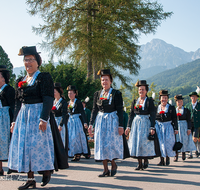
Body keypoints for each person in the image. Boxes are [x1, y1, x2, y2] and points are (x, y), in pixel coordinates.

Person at [8, 46, 55, 189]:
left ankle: (46, 170)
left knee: (38, 146)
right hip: (24, 116)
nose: (28, 63)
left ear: (37, 62)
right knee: (25, 147)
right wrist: (14, 120)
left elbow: (48, 98)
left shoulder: (43, 77)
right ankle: (30, 179)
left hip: (37, 114)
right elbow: (17, 102)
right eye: (25, 60)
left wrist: (43, 118)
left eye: (31, 60)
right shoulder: (21, 80)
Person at [88, 69, 129, 177]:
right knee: (101, 145)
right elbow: (94, 110)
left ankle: (114, 164)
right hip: (101, 121)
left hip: (112, 122)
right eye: (102, 80)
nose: (104, 82)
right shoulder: (97, 94)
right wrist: (91, 124)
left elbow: (120, 110)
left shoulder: (116, 93)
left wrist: (121, 125)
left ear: (110, 81)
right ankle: (105, 169)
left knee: (111, 145)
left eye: (106, 79)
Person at [125, 80, 156, 170]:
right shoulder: (135, 101)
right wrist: (128, 126)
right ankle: (139, 163)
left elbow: (153, 114)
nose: (141, 91)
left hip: (146, 122)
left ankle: (145, 160)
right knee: (137, 142)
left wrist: (152, 127)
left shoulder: (149, 101)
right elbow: (131, 114)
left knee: (144, 142)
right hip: (136, 123)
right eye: (139, 89)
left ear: (146, 91)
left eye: (142, 89)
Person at [155, 90, 178, 166]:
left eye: (165, 98)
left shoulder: (171, 108)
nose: (164, 99)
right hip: (159, 127)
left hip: (168, 126)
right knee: (160, 143)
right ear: (160, 98)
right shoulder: (157, 107)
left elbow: (174, 118)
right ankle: (161, 160)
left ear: (167, 99)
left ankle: (167, 158)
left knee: (168, 143)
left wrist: (176, 128)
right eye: (162, 98)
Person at [66, 85, 89, 161]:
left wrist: (85, 122)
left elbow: (82, 112)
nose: (70, 95)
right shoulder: (68, 102)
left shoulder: (78, 102)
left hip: (76, 121)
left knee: (76, 138)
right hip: (70, 122)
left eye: (71, 93)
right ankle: (72, 153)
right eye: (69, 93)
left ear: (75, 93)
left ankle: (78, 154)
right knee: (70, 138)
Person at [0, 65, 15, 176]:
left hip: (6, 118)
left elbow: (13, 106)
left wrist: (13, 120)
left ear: (3, 77)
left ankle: (11, 165)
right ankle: (0, 168)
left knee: (8, 141)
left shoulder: (9, 90)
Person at [174, 94, 196, 161]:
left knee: (184, 140)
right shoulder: (174, 110)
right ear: (176, 102)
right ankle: (176, 155)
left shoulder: (186, 110)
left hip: (184, 126)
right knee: (176, 140)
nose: (179, 103)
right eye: (178, 101)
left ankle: (184, 153)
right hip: (177, 126)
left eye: (180, 101)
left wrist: (189, 128)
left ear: (182, 102)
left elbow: (189, 120)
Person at [52, 82, 68, 148]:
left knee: (61, 139)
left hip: (60, 121)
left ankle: (61, 155)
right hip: (54, 121)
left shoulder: (63, 102)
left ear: (59, 92)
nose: (53, 94)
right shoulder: (53, 102)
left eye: (54, 92)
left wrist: (61, 124)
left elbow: (64, 114)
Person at [185, 91, 200, 158]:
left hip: (197, 124)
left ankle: (196, 150)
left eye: (194, 96)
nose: (193, 98)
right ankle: (190, 153)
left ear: (196, 97)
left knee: (195, 138)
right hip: (190, 123)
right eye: (192, 96)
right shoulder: (188, 105)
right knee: (189, 138)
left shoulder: (199, 105)